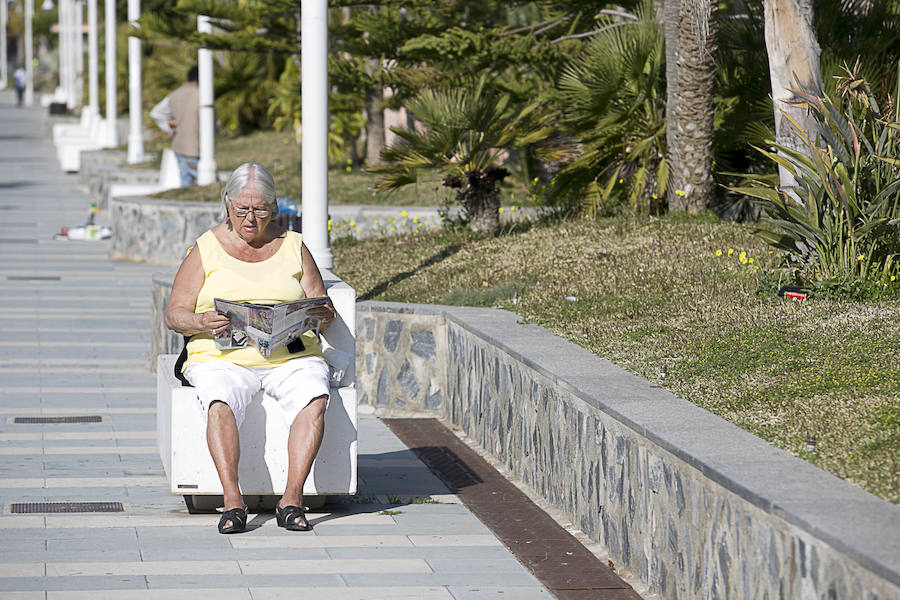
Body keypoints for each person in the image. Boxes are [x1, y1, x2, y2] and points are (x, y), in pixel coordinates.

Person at [165, 163, 336, 534]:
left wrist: (319, 312)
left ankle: (291, 499)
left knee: (314, 394)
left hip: (290, 353)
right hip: (221, 354)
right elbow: (174, 314)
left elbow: (323, 308)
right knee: (219, 398)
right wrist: (200, 322)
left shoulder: (293, 245)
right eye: (241, 209)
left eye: (259, 210)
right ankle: (233, 501)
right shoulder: (206, 248)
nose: (250, 218)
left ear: (273, 208)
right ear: (227, 204)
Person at [150, 65, 201, 187]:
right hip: (196, 148)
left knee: (185, 184)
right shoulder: (202, 94)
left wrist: (170, 129)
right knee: (201, 184)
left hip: (179, 146)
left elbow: (156, 113)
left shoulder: (174, 94)